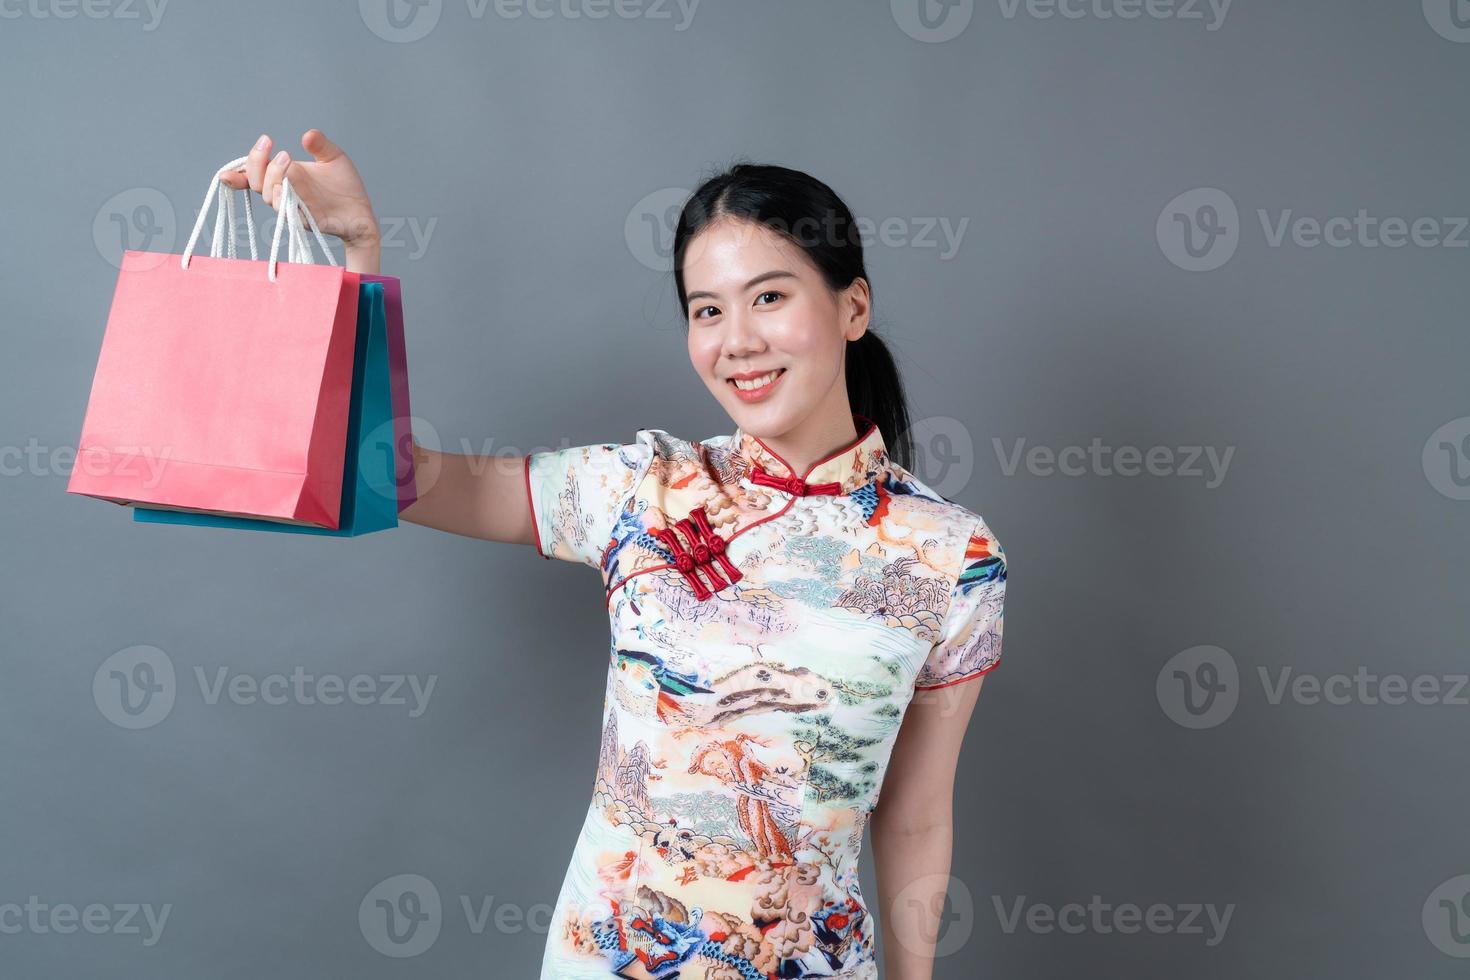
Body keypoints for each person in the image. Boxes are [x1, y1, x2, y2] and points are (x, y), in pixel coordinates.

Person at [225, 131, 1008, 979]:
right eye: (706, 310)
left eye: (769, 297)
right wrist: (358, 256)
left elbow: (917, 816)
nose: (736, 340)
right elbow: (395, 477)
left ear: (853, 307)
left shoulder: (951, 556)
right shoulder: (641, 488)